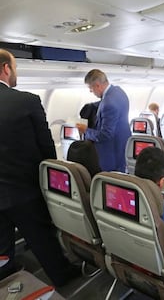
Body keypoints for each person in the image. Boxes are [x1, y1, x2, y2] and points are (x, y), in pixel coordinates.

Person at [0, 49, 79, 286]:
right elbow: (47, 151)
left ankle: (7, 283)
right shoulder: (27, 101)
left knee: (2, 249)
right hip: (25, 191)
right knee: (43, 240)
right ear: (6, 68)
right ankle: (64, 278)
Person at [76, 69, 131, 171]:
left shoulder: (108, 103)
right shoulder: (119, 91)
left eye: (91, 88)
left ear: (97, 85)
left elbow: (106, 134)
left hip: (111, 153)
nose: (90, 91)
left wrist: (86, 130)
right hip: (122, 147)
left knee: (112, 183)